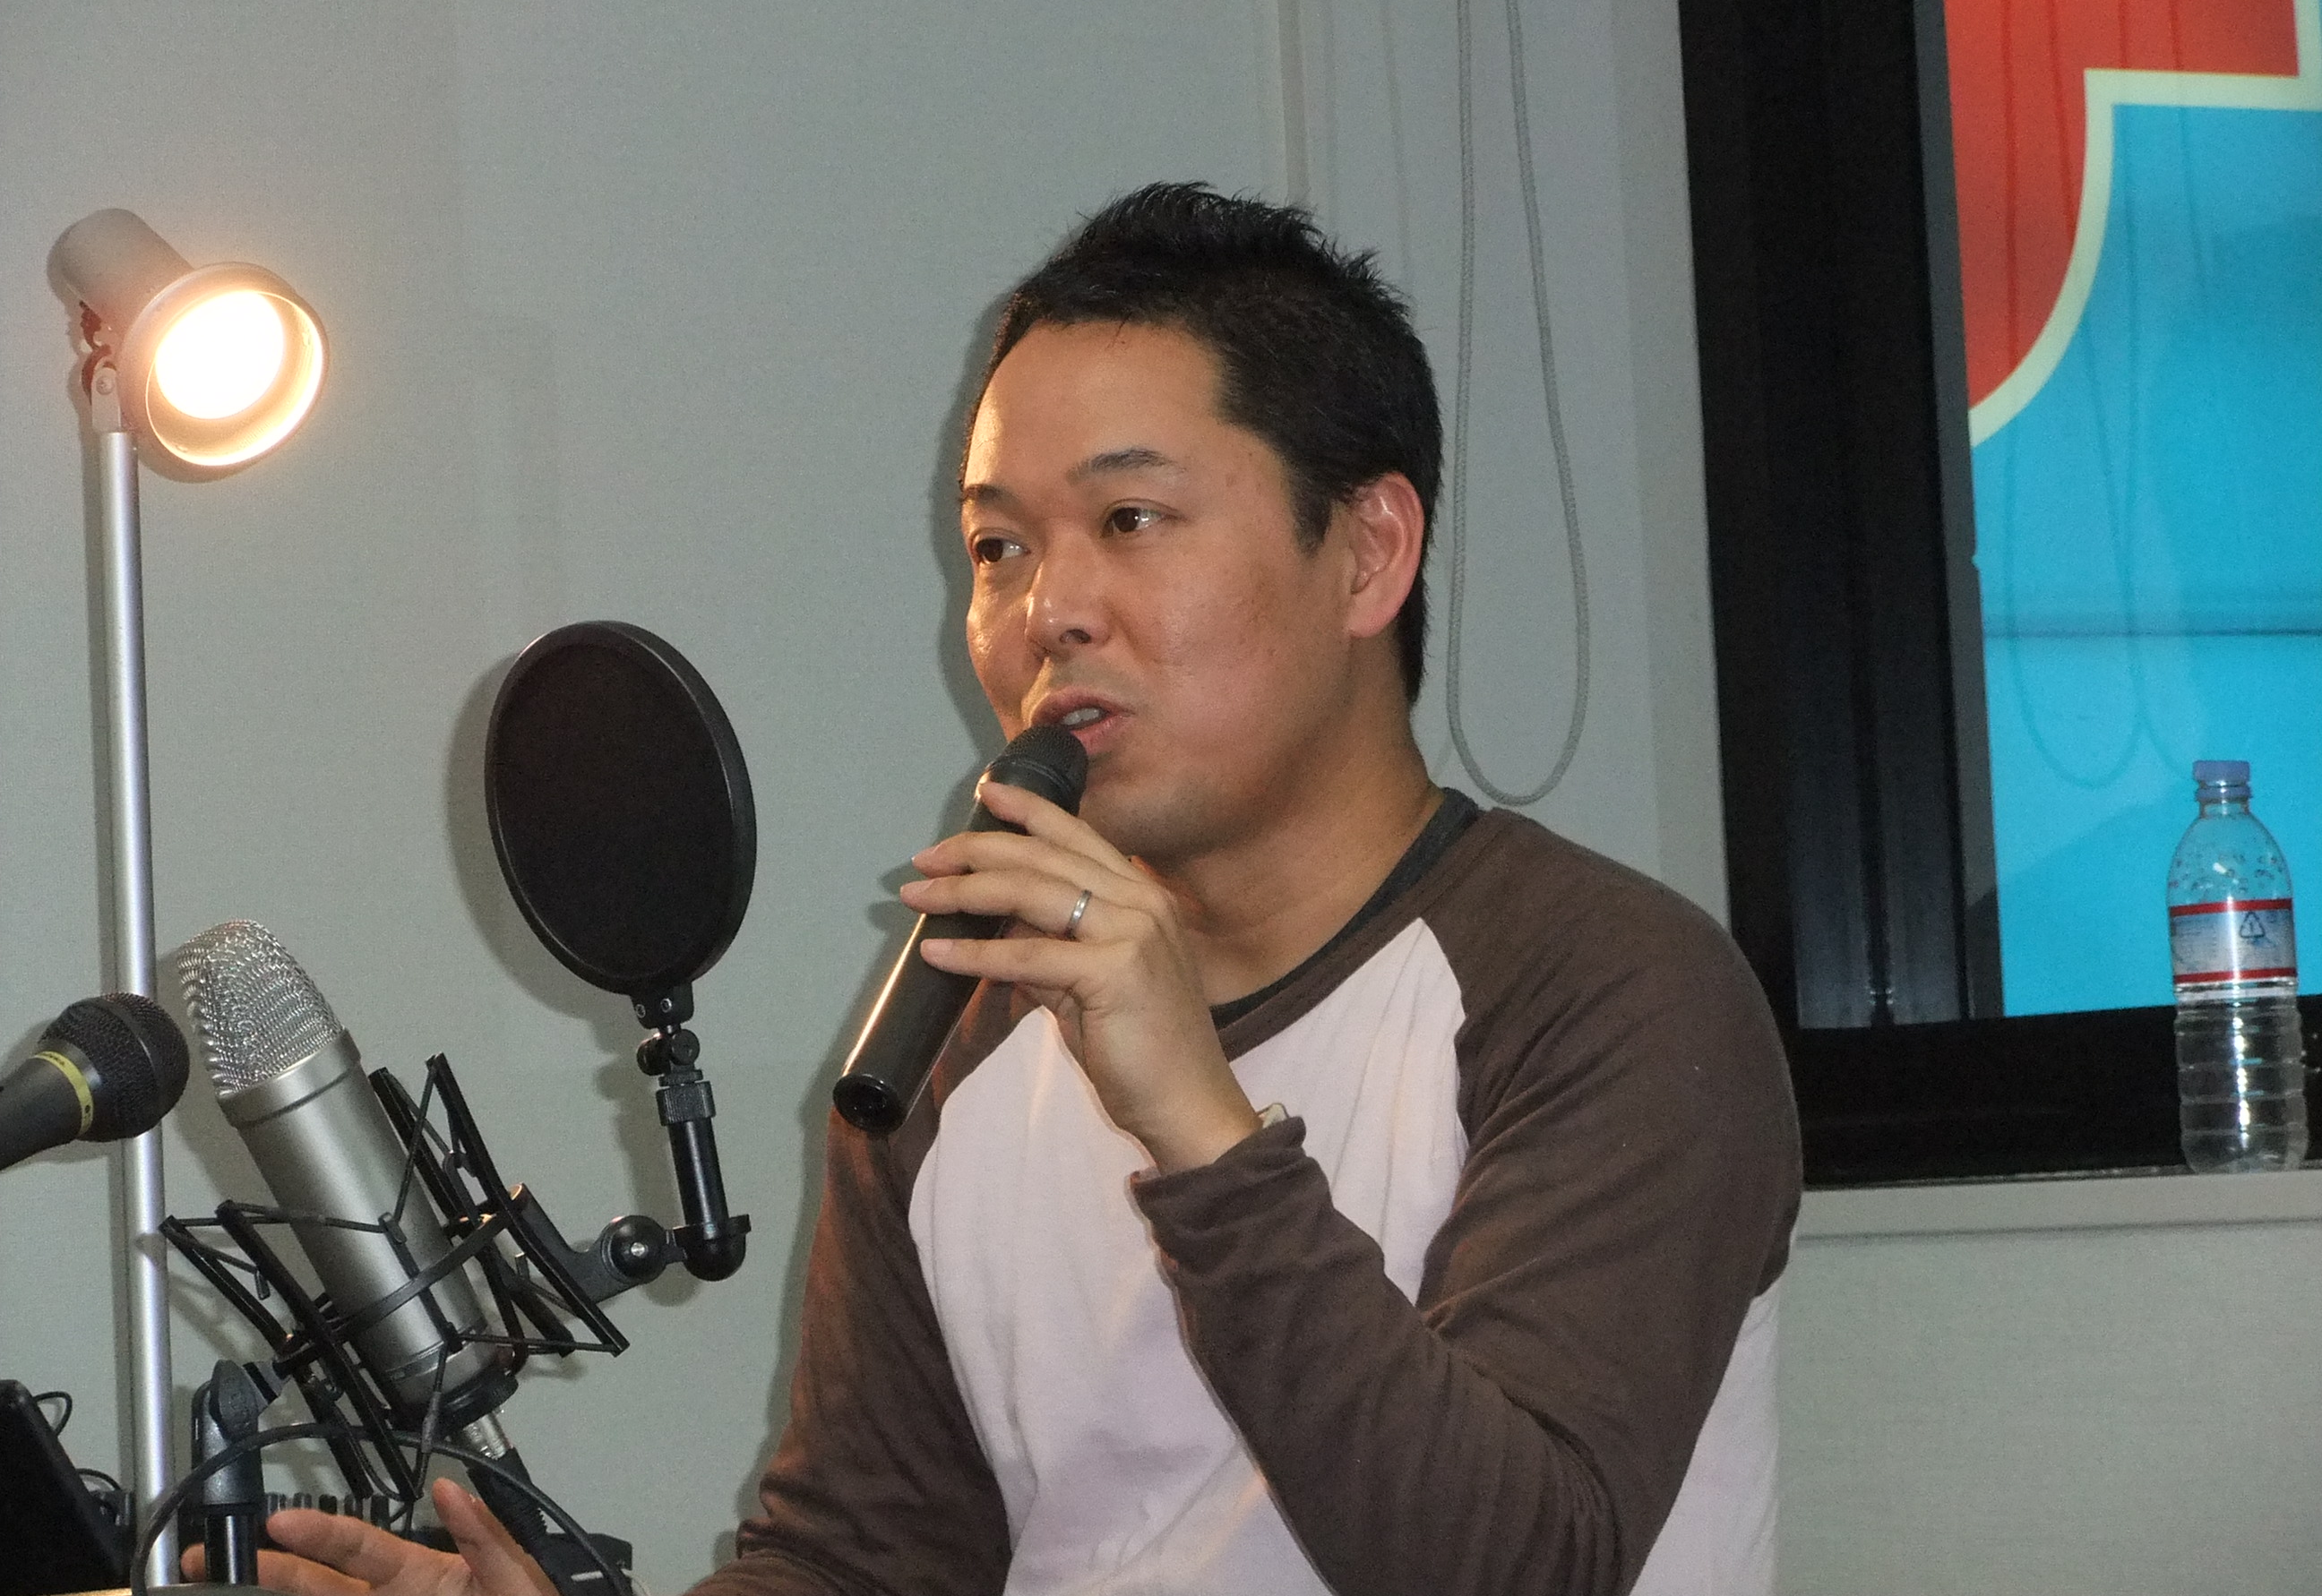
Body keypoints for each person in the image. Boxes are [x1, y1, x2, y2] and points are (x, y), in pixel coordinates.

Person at [203, 184, 1800, 1596]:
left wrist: (1202, 1129)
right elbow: (861, 1562)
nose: (1050, 612)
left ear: (1371, 551)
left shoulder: (1610, 990)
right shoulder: (958, 1034)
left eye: (1130, 519)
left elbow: (1517, 1564)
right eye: (997, 549)